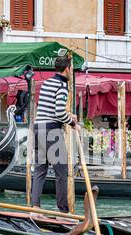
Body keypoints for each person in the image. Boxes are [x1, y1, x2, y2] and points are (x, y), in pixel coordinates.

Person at [31, 55, 80, 214]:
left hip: (39, 127)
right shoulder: (62, 86)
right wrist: (72, 123)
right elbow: (59, 113)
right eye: (71, 68)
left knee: (40, 169)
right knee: (62, 172)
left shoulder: (46, 83)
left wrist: (69, 115)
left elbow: (50, 108)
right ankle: (63, 211)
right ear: (68, 69)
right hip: (51, 130)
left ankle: (35, 207)